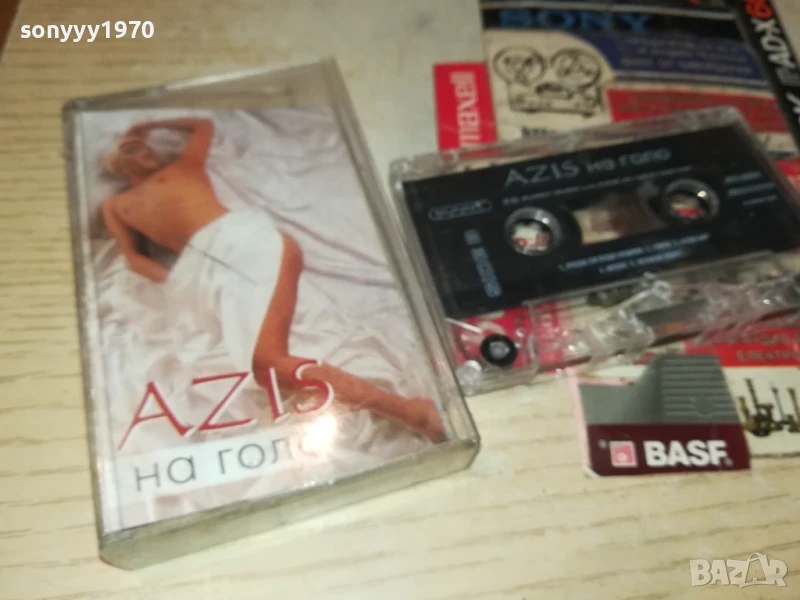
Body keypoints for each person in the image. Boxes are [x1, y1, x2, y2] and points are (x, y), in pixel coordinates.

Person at [101, 117, 446, 442]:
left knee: (267, 364)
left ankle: (411, 412)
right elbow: (133, 257)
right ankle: (407, 411)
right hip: (200, 269)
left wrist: (152, 124)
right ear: (116, 162)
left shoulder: (182, 168)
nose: (144, 152)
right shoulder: (116, 205)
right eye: (131, 150)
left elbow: (203, 126)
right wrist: (177, 282)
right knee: (251, 368)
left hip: (242, 241)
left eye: (144, 146)